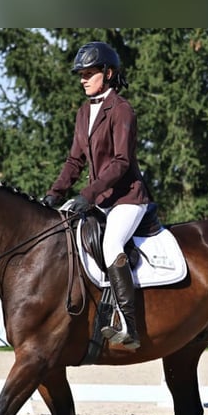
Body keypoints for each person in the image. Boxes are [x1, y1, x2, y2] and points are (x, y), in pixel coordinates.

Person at [42, 41, 150, 351]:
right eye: (81, 74)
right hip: (101, 200)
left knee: (111, 243)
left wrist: (87, 195)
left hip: (127, 199)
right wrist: (54, 195)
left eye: (89, 73)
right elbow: (75, 161)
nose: (83, 79)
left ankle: (129, 324)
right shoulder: (83, 113)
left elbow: (121, 162)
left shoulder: (121, 109)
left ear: (109, 72)